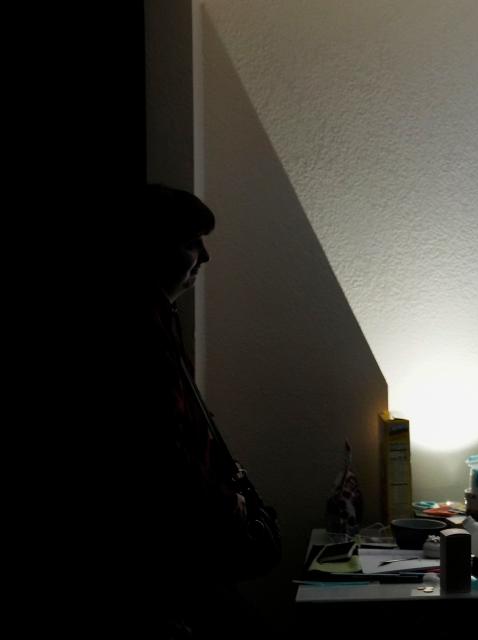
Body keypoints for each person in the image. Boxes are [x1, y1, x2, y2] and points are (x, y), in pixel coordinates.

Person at [110, 185, 281, 638]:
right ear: (152, 249)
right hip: (159, 561)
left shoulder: (157, 318)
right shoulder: (138, 333)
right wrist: (227, 502)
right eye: (191, 243)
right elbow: (159, 447)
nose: (204, 257)